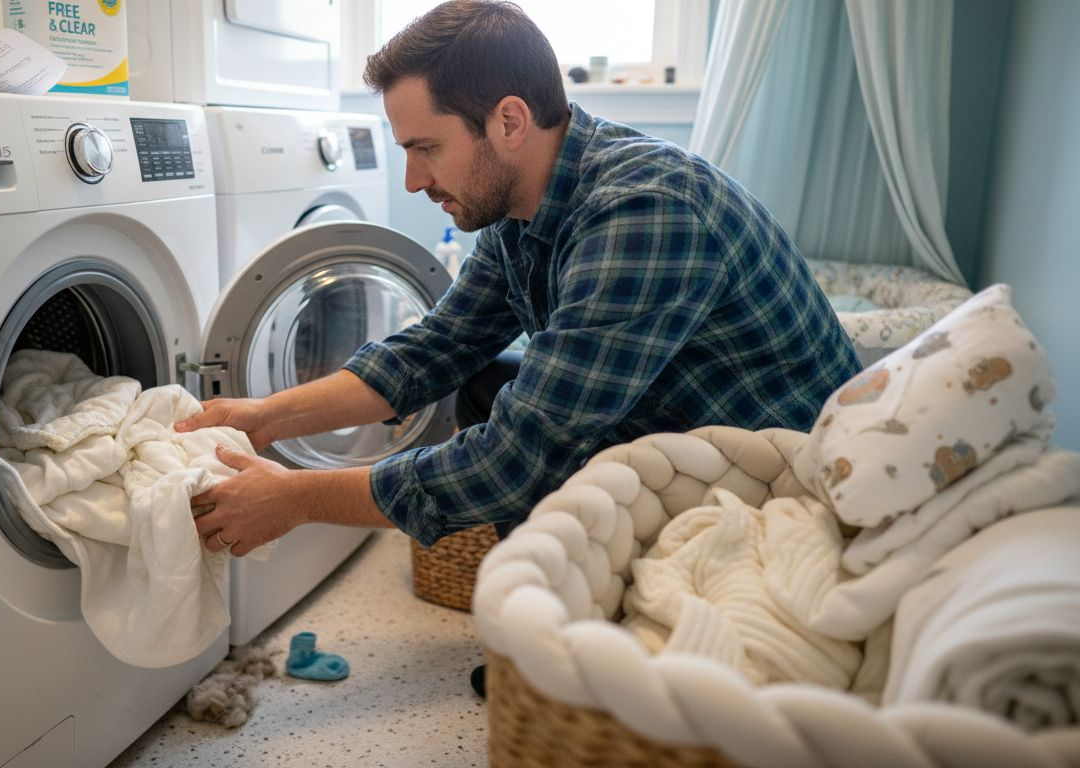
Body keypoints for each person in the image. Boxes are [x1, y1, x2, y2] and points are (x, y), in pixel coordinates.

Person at [180, 0, 861, 695]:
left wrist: (296, 498)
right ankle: (565, 620)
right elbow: (433, 349)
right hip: (670, 434)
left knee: (512, 432)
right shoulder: (520, 206)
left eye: (426, 148)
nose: (414, 180)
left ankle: (579, 647)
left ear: (509, 121)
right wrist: (261, 418)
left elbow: (515, 457)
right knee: (481, 383)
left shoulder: (645, 210)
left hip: (778, 481)